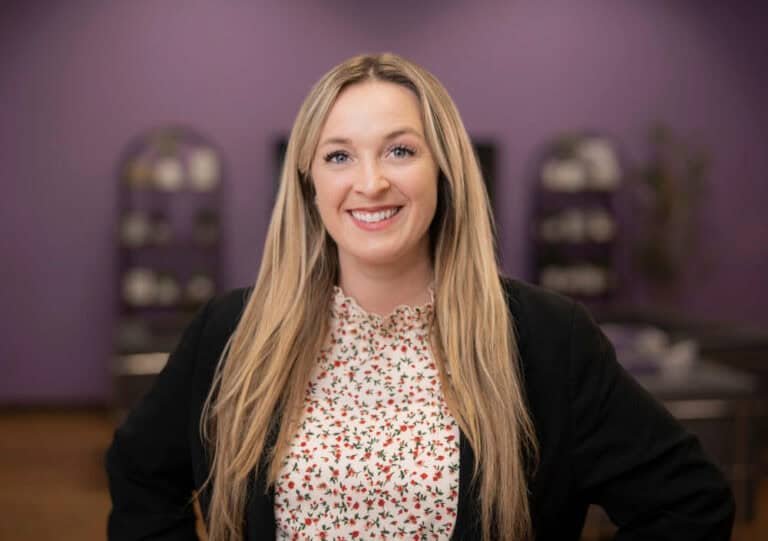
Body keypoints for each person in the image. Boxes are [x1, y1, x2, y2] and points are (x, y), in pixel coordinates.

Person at [106, 53, 734, 541]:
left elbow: (688, 502)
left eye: (400, 150)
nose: (371, 182)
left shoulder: (546, 339)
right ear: (309, 182)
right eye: (339, 156)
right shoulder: (233, 330)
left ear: (444, 170)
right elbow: (140, 476)